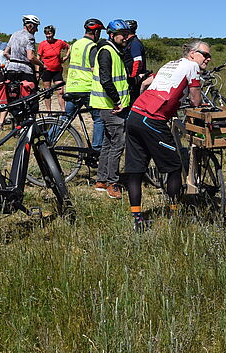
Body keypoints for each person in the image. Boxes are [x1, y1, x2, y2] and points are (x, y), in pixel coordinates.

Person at [123, 40, 210, 231]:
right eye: (205, 54)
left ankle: (137, 219)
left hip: (135, 113)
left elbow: (146, 82)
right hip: (152, 119)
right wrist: (193, 102)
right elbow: (195, 99)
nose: (208, 59)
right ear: (192, 54)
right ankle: (174, 214)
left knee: (136, 169)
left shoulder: (171, 63)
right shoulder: (192, 66)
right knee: (174, 166)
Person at [90, 19, 132, 199]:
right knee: (118, 144)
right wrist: (117, 101)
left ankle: (101, 180)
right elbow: (105, 79)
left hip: (111, 105)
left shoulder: (115, 51)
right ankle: (113, 183)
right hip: (111, 106)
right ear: (112, 35)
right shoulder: (107, 51)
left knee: (108, 143)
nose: (126, 37)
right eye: (123, 35)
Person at [64, 18, 106, 152]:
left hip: (72, 86)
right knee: (99, 118)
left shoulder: (75, 44)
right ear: (96, 31)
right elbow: (94, 68)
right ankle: (97, 149)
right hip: (86, 87)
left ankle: (47, 142)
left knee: (65, 119)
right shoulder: (92, 46)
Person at [3, 15, 43, 101]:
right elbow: (31, 57)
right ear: (30, 25)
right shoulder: (30, 37)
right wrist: (41, 64)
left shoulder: (14, 34)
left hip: (11, 69)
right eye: (36, 26)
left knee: (13, 96)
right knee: (30, 97)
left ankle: (14, 113)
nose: (36, 30)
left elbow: (5, 53)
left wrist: (14, 58)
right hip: (25, 71)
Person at [37, 25, 70, 111]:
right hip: (46, 70)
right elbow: (38, 58)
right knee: (47, 92)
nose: (48, 36)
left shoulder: (59, 42)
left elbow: (69, 47)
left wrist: (66, 57)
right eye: (46, 34)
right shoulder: (42, 44)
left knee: (60, 91)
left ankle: (63, 110)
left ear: (53, 33)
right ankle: (49, 111)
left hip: (57, 70)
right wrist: (37, 71)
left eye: (50, 33)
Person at [124, 19, 148, 93]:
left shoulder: (134, 43)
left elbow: (137, 61)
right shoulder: (129, 42)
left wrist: (133, 78)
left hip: (134, 82)